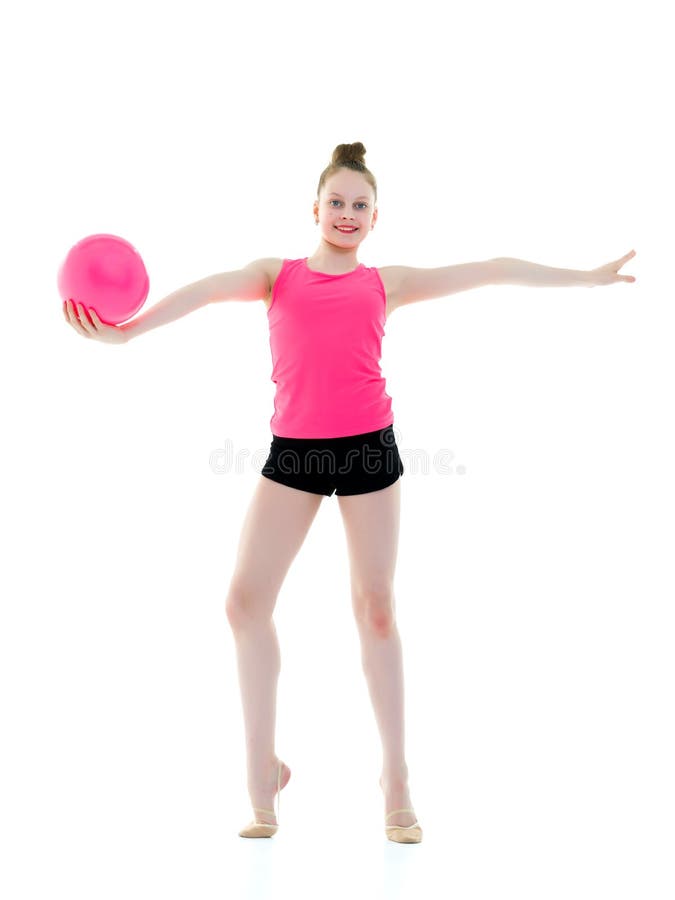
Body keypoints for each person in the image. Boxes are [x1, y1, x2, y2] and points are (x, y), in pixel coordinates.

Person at [63, 142, 637, 843]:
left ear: (374, 219)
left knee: (375, 608)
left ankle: (395, 780)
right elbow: (208, 289)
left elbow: (489, 270)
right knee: (243, 603)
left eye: (359, 205)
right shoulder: (274, 276)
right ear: (314, 208)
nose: (346, 213)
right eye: (335, 201)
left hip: (369, 452)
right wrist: (129, 333)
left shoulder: (384, 283)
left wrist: (585, 278)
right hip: (294, 456)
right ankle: (262, 775)